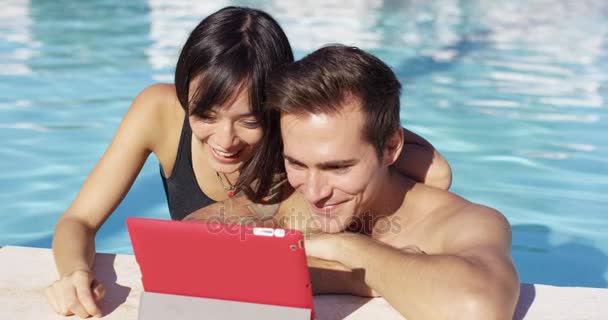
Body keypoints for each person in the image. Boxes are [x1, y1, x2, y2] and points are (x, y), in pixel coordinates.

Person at [44, 7, 451, 319]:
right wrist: (74, 274)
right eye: (205, 115)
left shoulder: (298, 141)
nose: (225, 140)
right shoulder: (157, 110)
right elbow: (78, 221)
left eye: (249, 121)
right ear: (186, 96)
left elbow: (437, 174)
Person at [186, 45, 519, 319]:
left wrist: (344, 246)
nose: (315, 192)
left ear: (390, 147)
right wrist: (360, 277)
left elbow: (477, 308)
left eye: (338, 167)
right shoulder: (289, 200)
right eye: (297, 163)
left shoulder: (463, 222)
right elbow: (188, 244)